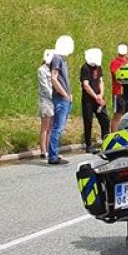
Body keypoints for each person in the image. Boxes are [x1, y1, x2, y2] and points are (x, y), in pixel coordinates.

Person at [47, 35, 74, 165]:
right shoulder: (57, 59)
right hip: (61, 98)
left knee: (59, 127)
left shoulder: (61, 59)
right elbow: (54, 78)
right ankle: (53, 156)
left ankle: (54, 153)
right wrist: (64, 94)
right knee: (57, 127)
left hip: (64, 97)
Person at [80, 47, 110, 152]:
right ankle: (88, 144)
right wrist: (95, 96)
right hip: (88, 100)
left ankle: (105, 141)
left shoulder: (98, 67)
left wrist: (100, 95)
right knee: (88, 121)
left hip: (99, 99)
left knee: (105, 120)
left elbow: (101, 81)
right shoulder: (85, 68)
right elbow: (86, 85)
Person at [37, 49, 54, 158]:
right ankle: (43, 150)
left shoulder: (53, 69)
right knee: (45, 126)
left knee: (51, 127)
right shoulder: (42, 70)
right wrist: (54, 95)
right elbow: (45, 86)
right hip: (46, 100)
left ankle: (49, 148)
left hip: (54, 101)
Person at [110, 42, 128, 128]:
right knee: (118, 115)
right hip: (118, 92)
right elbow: (117, 75)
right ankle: (113, 134)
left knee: (127, 114)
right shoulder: (115, 62)